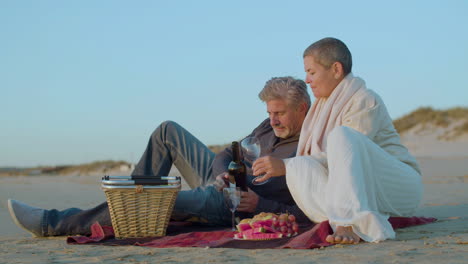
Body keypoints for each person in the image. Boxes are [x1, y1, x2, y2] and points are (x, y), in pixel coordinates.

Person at [8, 76, 311, 237]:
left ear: (302, 109)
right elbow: (226, 153)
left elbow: (312, 211)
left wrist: (262, 205)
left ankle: (52, 222)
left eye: (279, 113)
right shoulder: (269, 127)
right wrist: (221, 170)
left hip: (235, 204)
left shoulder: (311, 149)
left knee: (150, 199)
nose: (272, 120)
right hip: (224, 182)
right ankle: (131, 203)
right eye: (269, 113)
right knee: (168, 131)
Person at [253, 38, 422, 244]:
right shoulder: (320, 108)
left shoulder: (365, 99)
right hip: (364, 191)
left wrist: (284, 165)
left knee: (341, 136)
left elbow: (345, 157)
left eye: (312, 72)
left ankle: (348, 222)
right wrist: (291, 166)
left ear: (336, 69)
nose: (307, 79)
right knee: (300, 166)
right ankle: (346, 219)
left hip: (399, 187)